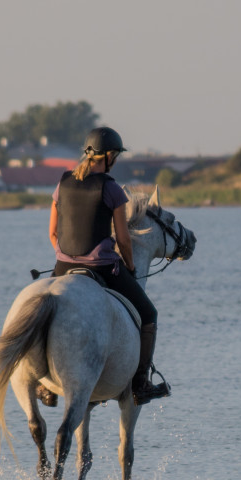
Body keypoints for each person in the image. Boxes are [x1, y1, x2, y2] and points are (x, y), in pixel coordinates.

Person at [47, 126, 170, 406]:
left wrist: (66, 257)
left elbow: (53, 233)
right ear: (110, 156)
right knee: (149, 313)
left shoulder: (62, 183)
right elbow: (124, 240)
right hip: (101, 267)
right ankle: (140, 383)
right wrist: (129, 267)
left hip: (62, 267)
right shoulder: (112, 188)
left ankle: (46, 385)